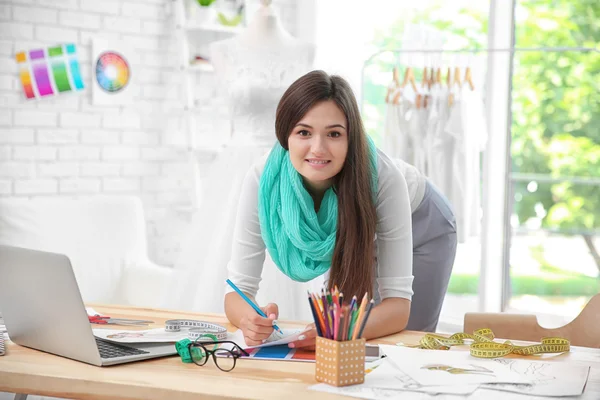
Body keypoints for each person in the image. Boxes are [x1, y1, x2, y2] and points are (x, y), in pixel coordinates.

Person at [225, 70, 457, 348]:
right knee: (339, 338)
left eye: (334, 134)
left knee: (406, 345)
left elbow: (398, 309)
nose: (318, 148)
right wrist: (250, 320)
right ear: (284, 135)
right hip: (348, 228)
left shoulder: (385, 178)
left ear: (351, 138)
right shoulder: (263, 180)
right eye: (303, 132)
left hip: (422, 224)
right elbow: (237, 291)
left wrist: (336, 331)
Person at [163, 0, 315, 314]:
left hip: (288, 168)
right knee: (226, 251)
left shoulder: (305, 51)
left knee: (290, 252)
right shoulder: (224, 51)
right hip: (239, 167)